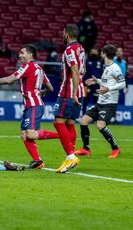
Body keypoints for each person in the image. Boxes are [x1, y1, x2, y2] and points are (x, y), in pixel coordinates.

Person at [0, 44, 58, 169]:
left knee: (31, 134)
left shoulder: (27, 66)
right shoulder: (39, 68)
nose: (20, 55)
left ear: (30, 54)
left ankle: (62, 135)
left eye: (22, 53)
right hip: (32, 105)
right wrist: (42, 92)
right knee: (24, 134)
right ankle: (37, 161)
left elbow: (9, 80)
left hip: (34, 105)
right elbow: (51, 88)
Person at [74, 45, 125, 158]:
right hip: (100, 103)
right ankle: (86, 149)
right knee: (84, 121)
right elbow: (108, 82)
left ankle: (115, 148)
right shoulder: (107, 67)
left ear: (104, 53)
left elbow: (123, 83)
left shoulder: (115, 68)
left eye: (102, 52)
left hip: (109, 104)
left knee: (100, 125)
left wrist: (108, 89)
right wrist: (97, 81)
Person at [53, 24, 86, 173]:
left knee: (59, 122)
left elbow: (73, 69)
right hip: (79, 89)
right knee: (70, 122)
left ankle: (70, 156)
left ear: (66, 34)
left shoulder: (70, 49)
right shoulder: (80, 48)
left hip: (69, 90)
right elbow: (81, 70)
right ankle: (69, 158)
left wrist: (72, 93)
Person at [82, 47, 103, 114]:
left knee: (96, 101)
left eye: (95, 51)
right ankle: (83, 115)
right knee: (85, 100)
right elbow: (83, 73)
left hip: (97, 85)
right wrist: (84, 83)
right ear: (90, 52)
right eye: (92, 51)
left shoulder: (101, 62)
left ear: (98, 52)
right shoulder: (86, 61)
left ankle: (95, 116)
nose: (94, 52)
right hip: (87, 85)